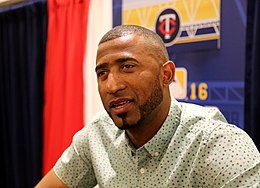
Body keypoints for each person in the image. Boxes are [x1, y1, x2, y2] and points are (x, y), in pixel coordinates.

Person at [36, 25, 260, 188]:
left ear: (166, 74)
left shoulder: (216, 143)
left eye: (127, 67)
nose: (112, 85)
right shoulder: (97, 135)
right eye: (102, 73)